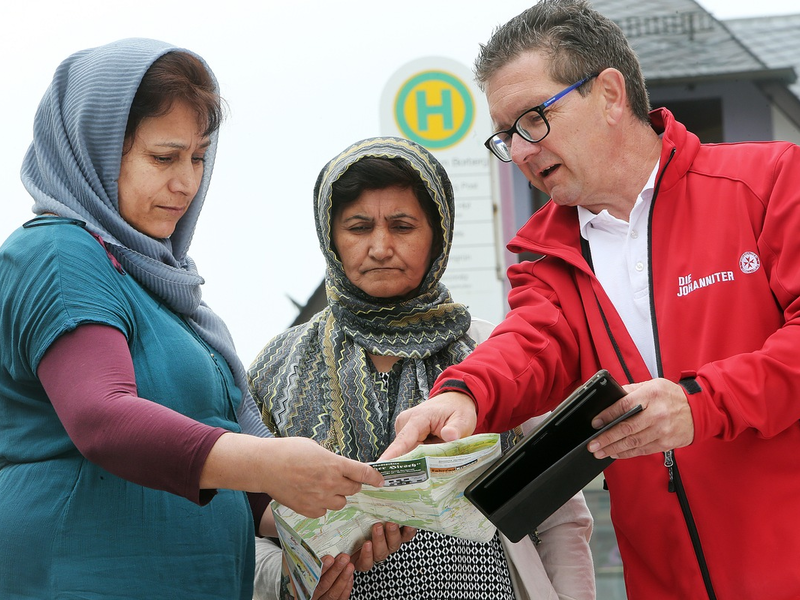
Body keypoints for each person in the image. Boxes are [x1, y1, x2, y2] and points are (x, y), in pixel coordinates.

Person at [381, 0, 800, 599]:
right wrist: (463, 395)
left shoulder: (771, 181)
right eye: (506, 135)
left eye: (533, 119)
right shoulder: (547, 257)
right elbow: (529, 345)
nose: (520, 151)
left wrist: (701, 405)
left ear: (609, 94)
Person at [0, 38, 385, 599]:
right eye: (164, 157)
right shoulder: (59, 252)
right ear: (94, 149)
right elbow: (102, 419)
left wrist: (338, 523)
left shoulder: (165, 288)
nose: (186, 182)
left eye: (198, 157)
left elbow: (229, 478)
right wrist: (270, 463)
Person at [248, 136, 596, 600]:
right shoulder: (278, 368)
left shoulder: (494, 353)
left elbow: (558, 516)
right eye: (358, 227)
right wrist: (284, 578)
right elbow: (242, 518)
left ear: (438, 234)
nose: (380, 247)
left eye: (402, 226)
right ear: (330, 238)